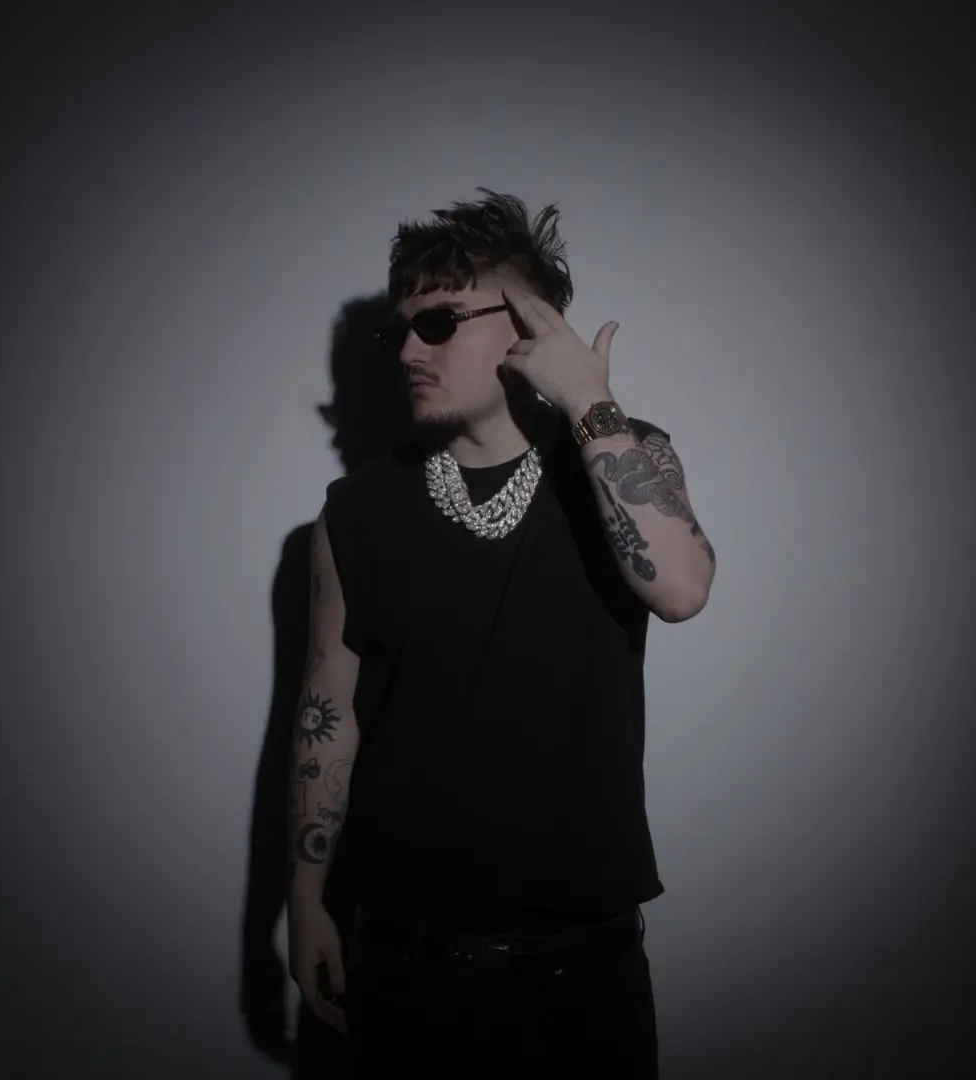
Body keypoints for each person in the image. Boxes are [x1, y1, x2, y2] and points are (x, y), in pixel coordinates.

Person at [285, 188, 716, 1079]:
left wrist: (588, 396)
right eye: (400, 330)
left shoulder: (624, 456)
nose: (410, 349)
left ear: (526, 326)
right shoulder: (352, 513)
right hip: (399, 962)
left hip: (578, 973)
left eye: (439, 322)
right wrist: (305, 896)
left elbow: (680, 590)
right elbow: (327, 712)